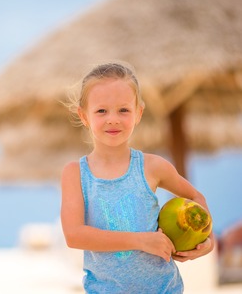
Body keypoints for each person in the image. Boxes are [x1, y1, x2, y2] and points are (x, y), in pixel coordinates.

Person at [60, 61, 214, 293]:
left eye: (123, 110)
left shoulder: (152, 167)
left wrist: (207, 242)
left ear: (138, 113)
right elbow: (74, 235)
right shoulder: (75, 174)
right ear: (84, 116)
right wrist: (141, 240)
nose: (113, 118)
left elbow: (196, 197)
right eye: (101, 111)